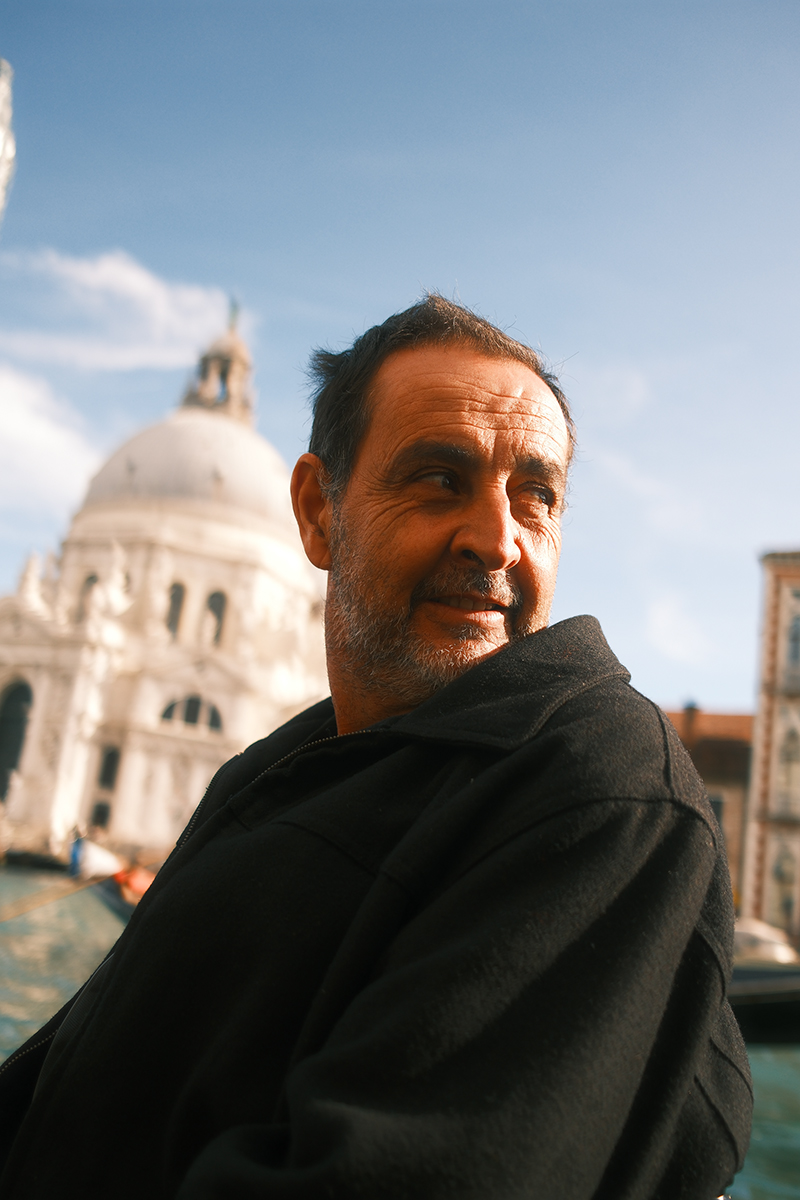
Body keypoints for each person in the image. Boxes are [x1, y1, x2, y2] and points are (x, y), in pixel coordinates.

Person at [0, 296, 751, 1198]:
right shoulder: (277, 766)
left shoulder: (599, 785)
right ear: (319, 513)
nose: (497, 540)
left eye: (535, 497)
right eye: (440, 478)